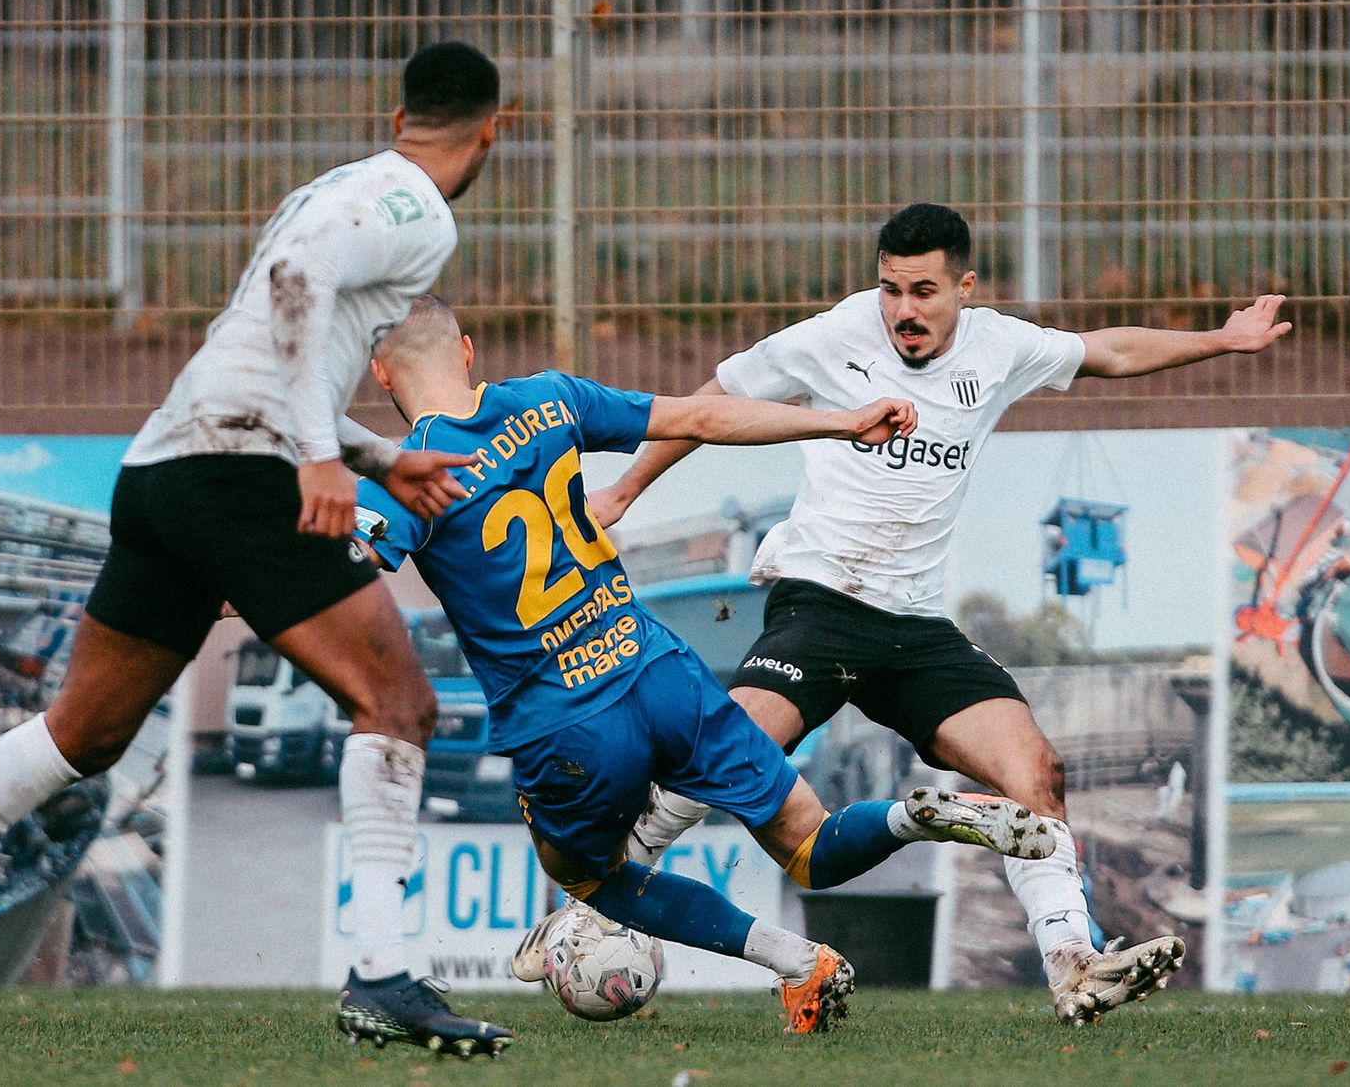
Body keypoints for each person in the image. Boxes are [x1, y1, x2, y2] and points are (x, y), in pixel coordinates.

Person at [0, 42, 515, 1058]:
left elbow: (266, 344)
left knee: (82, 734)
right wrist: (321, 459)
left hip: (164, 469)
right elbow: (296, 280)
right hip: (240, 471)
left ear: (398, 115)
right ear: (494, 129)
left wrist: (377, 455)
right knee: (399, 703)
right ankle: (384, 975)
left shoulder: (339, 186)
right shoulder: (419, 209)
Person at [578, 202, 1293, 1026]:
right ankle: (593, 902)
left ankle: (1073, 962)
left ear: (964, 287)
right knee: (725, 749)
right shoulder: (833, 336)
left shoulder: (999, 346)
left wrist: (1223, 340)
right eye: (891, 290)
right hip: (822, 603)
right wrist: (625, 489)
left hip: (914, 629)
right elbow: (714, 401)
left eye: (923, 291)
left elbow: (1109, 351)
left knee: (1036, 773)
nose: (903, 311)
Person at [351, 295, 1058, 1036]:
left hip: (563, 718)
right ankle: (911, 817)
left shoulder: (401, 478)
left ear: (380, 374)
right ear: (466, 351)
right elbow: (703, 416)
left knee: (587, 879)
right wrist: (841, 421)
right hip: (659, 670)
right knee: (811, 846)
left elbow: (337, 578)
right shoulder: (549, 400)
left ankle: (796, 959)